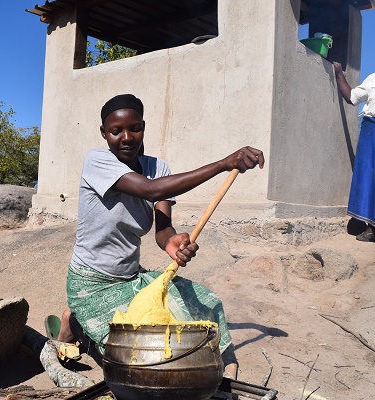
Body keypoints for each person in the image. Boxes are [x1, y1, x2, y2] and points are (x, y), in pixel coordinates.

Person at [54, 94, 264, 379]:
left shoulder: (158, 167)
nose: (126, 137)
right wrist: (224, 164)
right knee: (130, 359)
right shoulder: (97, 161)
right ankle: (75, 321)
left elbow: (163, 229)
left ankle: (223, 363)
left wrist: (172, 243)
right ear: (104, 133)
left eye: (135, 128)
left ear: (143, 127)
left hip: (130, 278)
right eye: (116, 131)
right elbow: (152, 191)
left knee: (205, 301)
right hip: (91, 282)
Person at [333, 62, 375, 242]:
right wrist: (339, 73)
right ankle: (369, 225)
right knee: (367, 175)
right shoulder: (373, 78)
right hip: (371, 130)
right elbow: (352, 97)